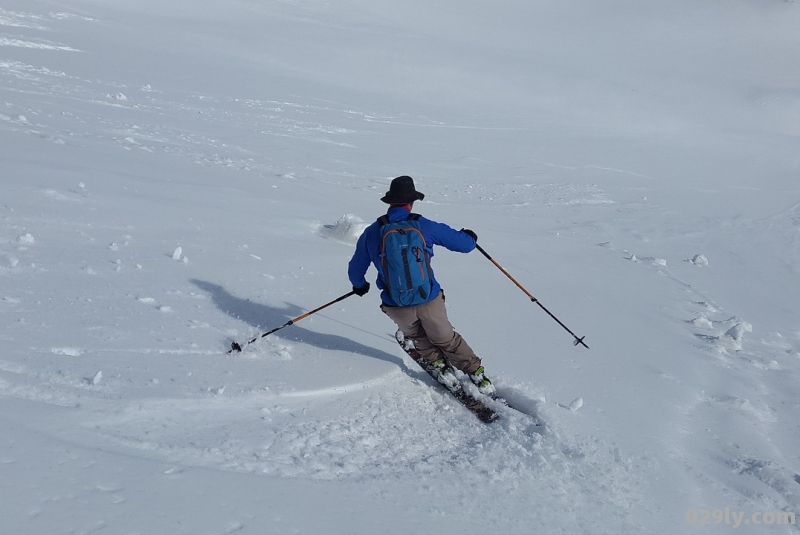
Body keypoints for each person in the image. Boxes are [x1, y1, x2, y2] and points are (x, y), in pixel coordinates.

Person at [347, 175, 494, 395]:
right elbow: (465, 246)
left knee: (418, 336)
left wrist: (359, 285)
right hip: (429, 298)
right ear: (411, 202)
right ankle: (477, 374)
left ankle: (438, 366)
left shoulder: (372, 232)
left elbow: (356, 268)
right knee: (446, 338)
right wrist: (470, 237)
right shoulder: (422, 225)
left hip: (395, 302)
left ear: (390, 202)